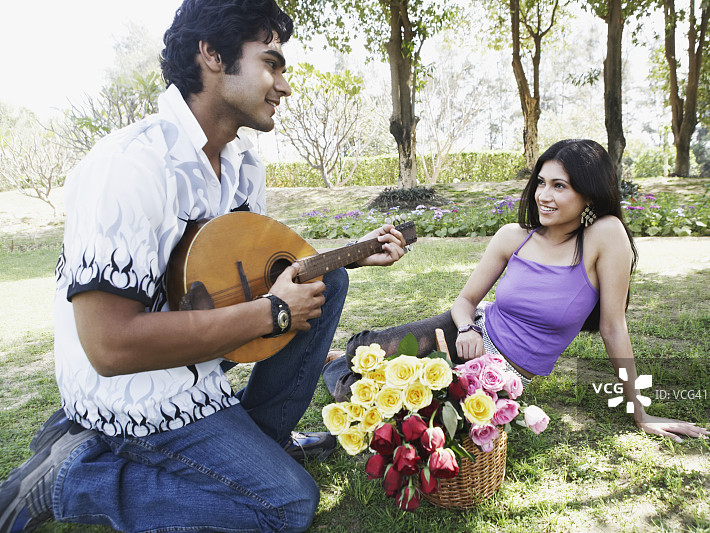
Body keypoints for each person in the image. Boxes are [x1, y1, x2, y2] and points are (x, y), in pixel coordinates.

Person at [0, 1, 406, 532]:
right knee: (286, 507)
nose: (284, 86)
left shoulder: (242, 166)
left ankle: (265, 444)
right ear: (211, 55)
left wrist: (350, 255)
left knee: (327, 278)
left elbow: (241, 276)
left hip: (198, 361)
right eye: (272, 63)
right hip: (132, 390)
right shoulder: (130, 165)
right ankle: (69, 478)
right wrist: (274, 313)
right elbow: (110, 346)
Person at [323, 139, 709, 443]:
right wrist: (470, 330)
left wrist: (640, 413)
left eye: (560, 186)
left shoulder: (604, 236)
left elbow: (614, 327)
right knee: (365, 353)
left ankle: (341, 364)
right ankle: (349, 356)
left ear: (588, 194)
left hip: (500, 375)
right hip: (467, 332)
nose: (544, 194)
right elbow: (465, 302)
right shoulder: (514, 236)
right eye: (541, 182)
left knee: (391, 413)